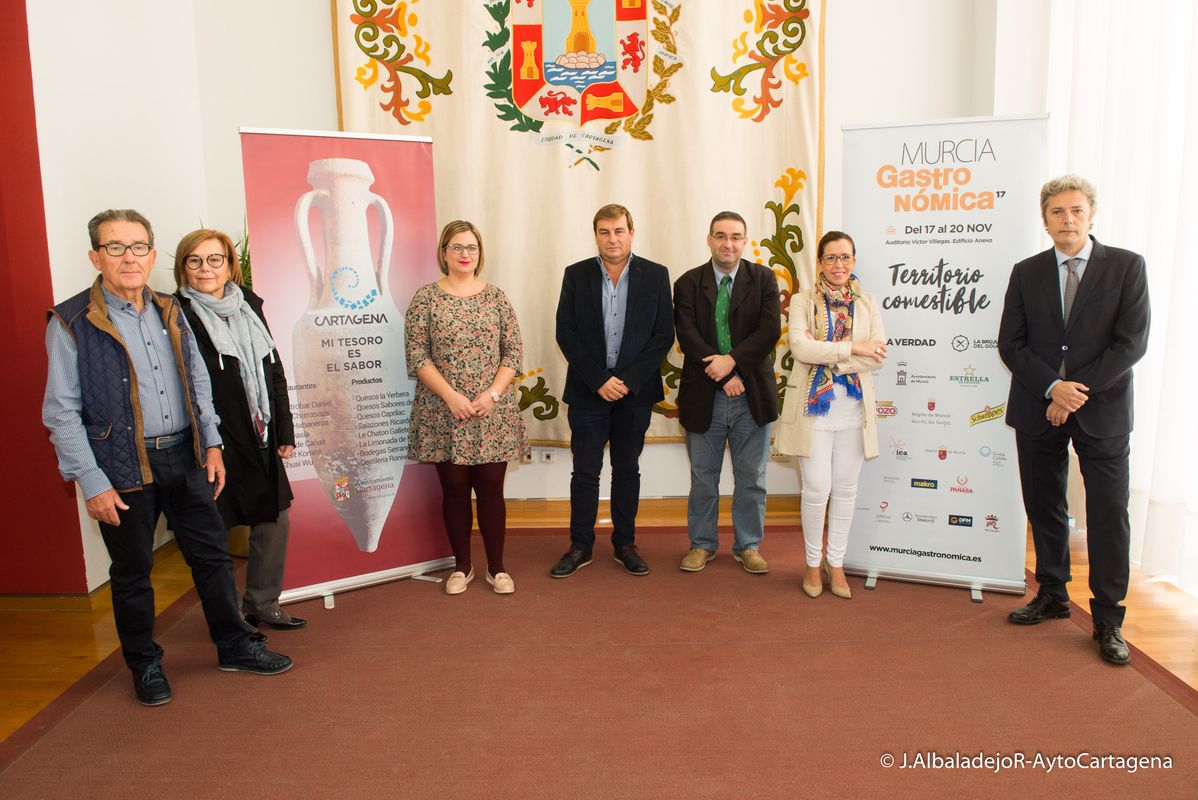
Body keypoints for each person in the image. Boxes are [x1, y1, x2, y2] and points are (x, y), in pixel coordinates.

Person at [42, 209, 292, 707]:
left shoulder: (170, 311)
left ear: (152, 255)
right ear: (95, 256)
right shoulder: (71, 321)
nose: (129, 257)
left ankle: (234, 645)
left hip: (186, 456)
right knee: (133, 571)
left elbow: (198, 383)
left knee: (212, 559)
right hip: (121, 466)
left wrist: (213, 444)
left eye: (138, 247)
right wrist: (92, 481)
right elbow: (61, 414)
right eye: (115, 247)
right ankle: (145, 665)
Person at [998, 175, 1150, 665]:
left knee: (1107, 514)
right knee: (1044, 506)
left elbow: (1131, 344)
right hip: (1037, 405)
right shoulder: (1026, 272)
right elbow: (1011, 344)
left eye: (1076, 211)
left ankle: (1108, 618)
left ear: (1091, 215)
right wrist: (1051, 387)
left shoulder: (1127, 266)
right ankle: (1052, 594)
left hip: (1101, 411)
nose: (1068, 219)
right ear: (1044, 220)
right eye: (1058, 212)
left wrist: (1073, 392)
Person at [173, 229, 305, 632]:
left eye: (215, 259)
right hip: (213, 438)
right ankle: (229, 620)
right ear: (183, 268)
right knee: (214, 528)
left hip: (258, 430)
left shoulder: (249, 304)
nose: (205, 269)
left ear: (230, 265)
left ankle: (263, 603)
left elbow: (272, 367)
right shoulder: (175, 313)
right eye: (194, 261)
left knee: (275, 518)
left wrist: (283, 428)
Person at [405, 220, 529, 595]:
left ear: (480, 253)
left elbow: (513, 352)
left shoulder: (496, 297)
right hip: (444, 410)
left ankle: (497, 568)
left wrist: (491, 394)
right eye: (457, 247)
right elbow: (416, 354)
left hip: (492, 410)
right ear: (444, 253)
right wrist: (451, 397)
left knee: (491, 488)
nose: (464, 254)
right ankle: (461, 567)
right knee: (455, 489)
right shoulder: (425, 298)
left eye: (471, 247)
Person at [551, 204, 674, 577]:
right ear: (596, 235)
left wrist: (627, 380)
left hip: (633, 393)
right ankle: (580, 545)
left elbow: (662, 335)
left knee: (627, 470)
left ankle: (625, 544)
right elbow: (565, 332)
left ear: (631, 232)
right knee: (585, 472)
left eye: (619, 231)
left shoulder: (654, 275)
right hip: (589, 392)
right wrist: (599, 380)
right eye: (604, 232)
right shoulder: (577, 274)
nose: (612, 238)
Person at [776, 231, 887, 598]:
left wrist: (831, 353)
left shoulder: (868, 303)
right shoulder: (802, 301)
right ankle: (811, 563)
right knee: (816, 490)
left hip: (854, 413)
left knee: (845, 490)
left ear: (853, 260)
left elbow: (878, 355)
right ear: (819, 262)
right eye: (831, 258)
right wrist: (854, 347)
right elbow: (800, 348)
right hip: (814, 414)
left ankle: (834, 563)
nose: (839, 265)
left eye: (845, 257)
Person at [673, 211, 781, 574]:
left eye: (735, 236)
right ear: (709, 240)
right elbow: (688, 337)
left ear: (745, 241)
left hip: (752, 397)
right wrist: (722, 376)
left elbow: (768, 332)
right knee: (704, 478)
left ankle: (747, 546)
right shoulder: (688, 283)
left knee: (752, 478)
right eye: (720, 236)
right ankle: (702, 545)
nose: (728, 244)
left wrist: (732, 363)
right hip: (705, 396)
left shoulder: (764, 279)